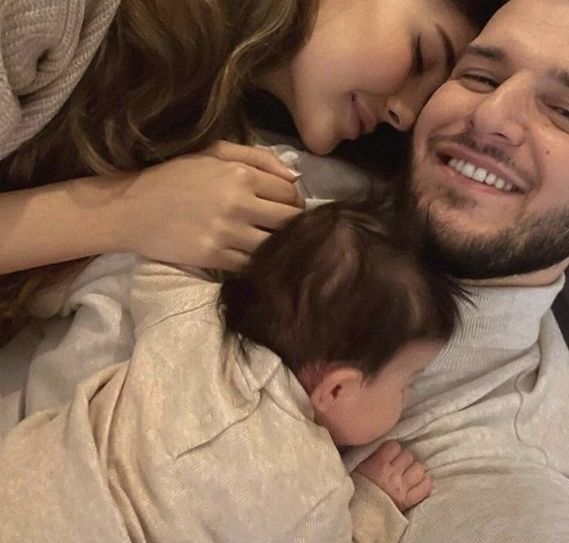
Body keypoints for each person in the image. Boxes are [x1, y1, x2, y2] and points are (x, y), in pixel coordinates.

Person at [0, 201, 465, 543]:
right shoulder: (302, 483)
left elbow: (154, 270)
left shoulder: (194, 319)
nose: (408, 396)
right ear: (337, 388)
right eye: (408, 382)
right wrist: (375, 503)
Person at [0, 0, 505, 340]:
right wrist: (126, 210)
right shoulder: (57, 16)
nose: (406, 114)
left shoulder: (206, 115)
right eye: (422, 56)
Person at [338, 1, 569, 543]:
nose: (491, 116)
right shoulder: (276, 177)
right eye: (481, 78)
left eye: (566, 113)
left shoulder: (520, 491)